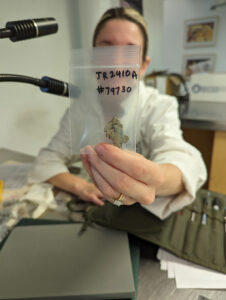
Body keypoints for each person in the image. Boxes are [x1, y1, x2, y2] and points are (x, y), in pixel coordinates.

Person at [28, 7, 207, 219]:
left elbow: (182, 160)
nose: (116, 61)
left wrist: (155, 178)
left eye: (130, 50)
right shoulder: (81, 108)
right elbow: (47, 159)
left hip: (143, 215)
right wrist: (80, 187)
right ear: (93, 59)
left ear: (143, 66)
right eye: (107, 48)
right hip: (95, 209)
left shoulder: (158, 106)